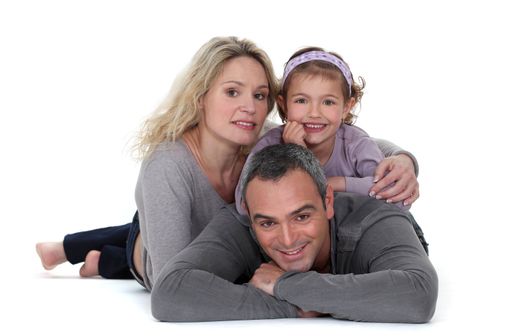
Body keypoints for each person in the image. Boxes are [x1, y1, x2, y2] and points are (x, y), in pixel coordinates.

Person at [36, 39, 422, 286]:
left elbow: (348, 140)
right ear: (200, 96)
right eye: (232, 92)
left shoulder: (261, 139)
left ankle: (73, 251)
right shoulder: (168, 167)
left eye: (258, 95)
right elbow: (173, 278)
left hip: (217, 233)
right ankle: (98, 260)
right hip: (166, 251)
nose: (249, 107)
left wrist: (403, 160)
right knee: (137, 244)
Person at [151, 144, 438, 322]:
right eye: (267, 224)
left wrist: (284, 285)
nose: (288, 240)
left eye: (301, 216)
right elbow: (169, 292)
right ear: (249, 215)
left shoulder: (376, 216)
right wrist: (293, 307)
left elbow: (418, 295)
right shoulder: (239, 220)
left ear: (327, 201)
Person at [235, 46, 428, 249]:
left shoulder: (355, 143)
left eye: (328, 102)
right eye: (301, 100)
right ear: (283, 104)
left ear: (346, 106)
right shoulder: (270, 144)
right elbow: (243, 204)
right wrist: (294, 156)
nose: (314, 113)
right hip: (314, 247)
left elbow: (396, 197)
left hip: (369, 239)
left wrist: (334, 184)